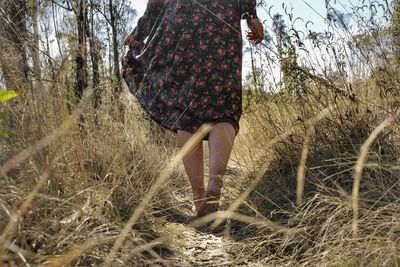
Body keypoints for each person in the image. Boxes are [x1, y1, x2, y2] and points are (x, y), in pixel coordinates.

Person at [122, 0, 264, 217]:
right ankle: (214, 188)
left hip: (182, 23)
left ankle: (198, 197)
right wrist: (251, 15)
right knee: (223, 104)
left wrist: (140, 32)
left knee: (186, 107)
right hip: (223, 20)